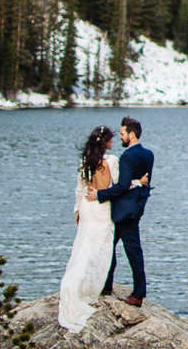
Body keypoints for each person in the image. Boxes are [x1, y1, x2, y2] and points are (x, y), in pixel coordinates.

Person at [58, 125, 119, 333]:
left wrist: (77, 210)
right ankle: (92, 288)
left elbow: (80, 188)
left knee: (84, 246)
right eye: (111, 139)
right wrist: (139, 182)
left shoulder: (85, 162)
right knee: (100, 247)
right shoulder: (112, 160)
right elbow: (117, 186)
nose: (113, 142)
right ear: (105, 142)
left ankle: (76, 284)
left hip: (86, 205)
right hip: (102, 206)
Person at [87, 115, 154, 307]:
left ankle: (138, 294)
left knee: (131, 251)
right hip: (136, 207)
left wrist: (99, 195)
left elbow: (121, 186)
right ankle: (107, 285)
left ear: (131, 135)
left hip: (123, 211)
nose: (120, 137)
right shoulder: (149, 154)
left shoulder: (127, 157)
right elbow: (143, 184)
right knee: (110, 246)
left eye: (123, 133)